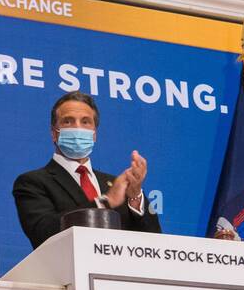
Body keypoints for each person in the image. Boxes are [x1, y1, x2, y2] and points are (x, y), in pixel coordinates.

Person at [12, 90, 161, 250]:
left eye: (85, 122)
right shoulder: (32, 182)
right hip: (68, 273)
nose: (78, 128)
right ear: (54, 134)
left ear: (94, 134)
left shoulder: (118, 185)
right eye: (68, 121)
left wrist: (135, 197)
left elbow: (154, 242)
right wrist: (104, 202)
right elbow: (43, 232)